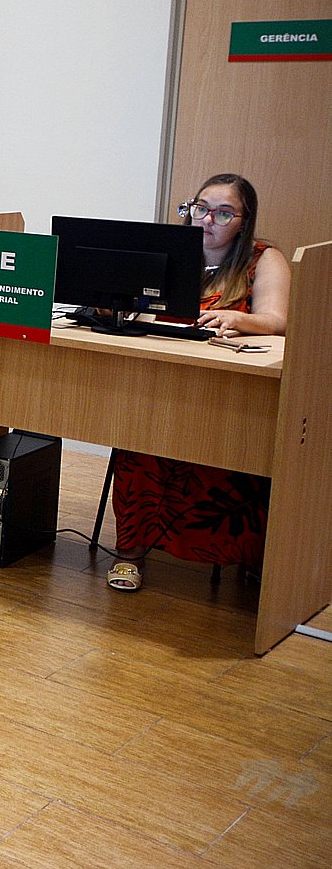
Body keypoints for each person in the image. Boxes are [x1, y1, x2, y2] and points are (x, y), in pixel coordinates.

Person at [106, 173, 290, 592]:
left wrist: (239, 318)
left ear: (244, 221)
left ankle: (243, 560)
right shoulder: (167, 251)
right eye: (201, 209)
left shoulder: (263, 259)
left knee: (229, 450)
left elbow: (277, 322)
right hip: (161, 383)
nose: (208, 220)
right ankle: (130, 553)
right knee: (138, 437)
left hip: (229, 393)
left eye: (224, 213)